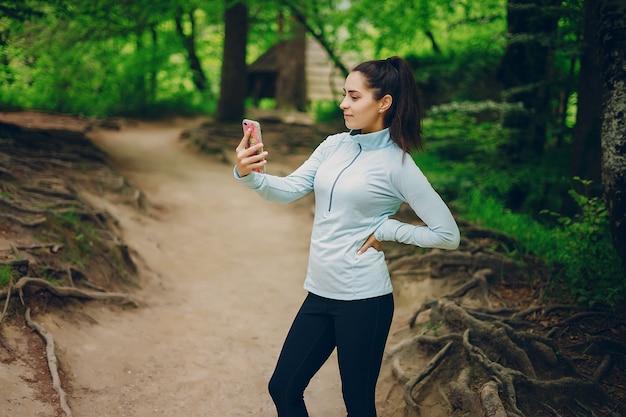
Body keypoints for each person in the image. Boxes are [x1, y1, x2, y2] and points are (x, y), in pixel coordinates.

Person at [234, 56, 460, 417]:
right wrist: (250, 175)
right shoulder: (333, 145)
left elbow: (448, 235)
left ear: (384, 102)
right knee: (284, 386)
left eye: (354, 96)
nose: (343, 103)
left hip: (364, 300)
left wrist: (387, 228)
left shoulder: (398, 164)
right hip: (321, 292)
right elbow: (291, 188)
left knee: (357, 403)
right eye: (344, 94)